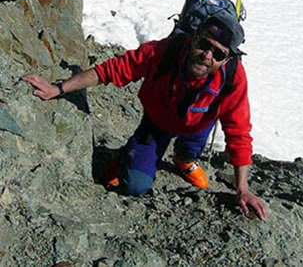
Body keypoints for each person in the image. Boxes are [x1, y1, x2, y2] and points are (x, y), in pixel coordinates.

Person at [22, 12, 268, 221]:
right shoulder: (165, 52)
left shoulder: (233, 78)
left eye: (218, 53)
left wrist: (242, 189)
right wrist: (59, 89)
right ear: (194, 38)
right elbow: (112, 70)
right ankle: (126, 156)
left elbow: (238, 131)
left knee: (189, 150)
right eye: (204, 44)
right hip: (157, 122)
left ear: (227, 60)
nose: (207, 55)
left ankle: (183, 159)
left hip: (198, 125)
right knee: (135, 185)